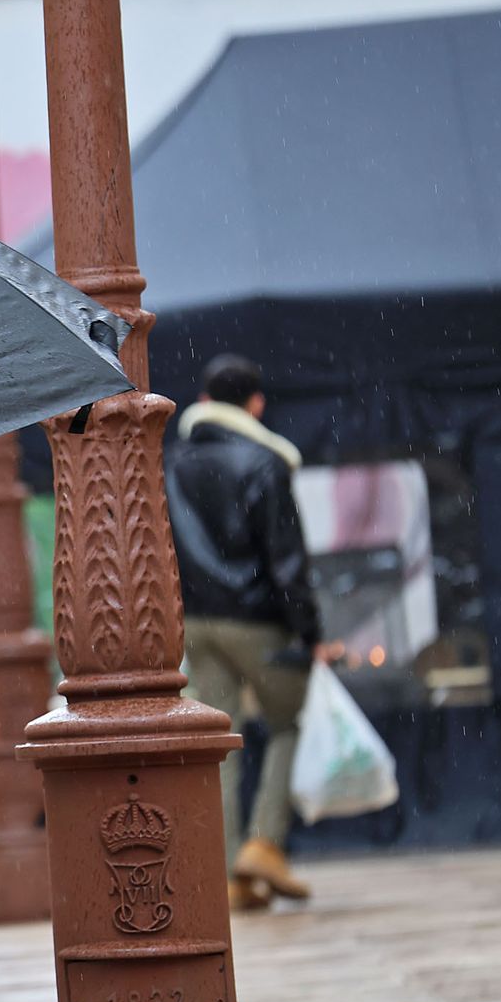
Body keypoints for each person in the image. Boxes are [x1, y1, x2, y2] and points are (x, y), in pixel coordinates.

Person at [165, 354, 324, 912]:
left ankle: (229, 875)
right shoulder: (266, 462)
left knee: (221, 744)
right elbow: (287, 561)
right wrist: (311, 630)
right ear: (256, 404)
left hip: (197, 623)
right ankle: (264, 843)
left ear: (204, 403)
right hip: (259, 621)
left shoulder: (173, 461)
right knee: (289, 722)